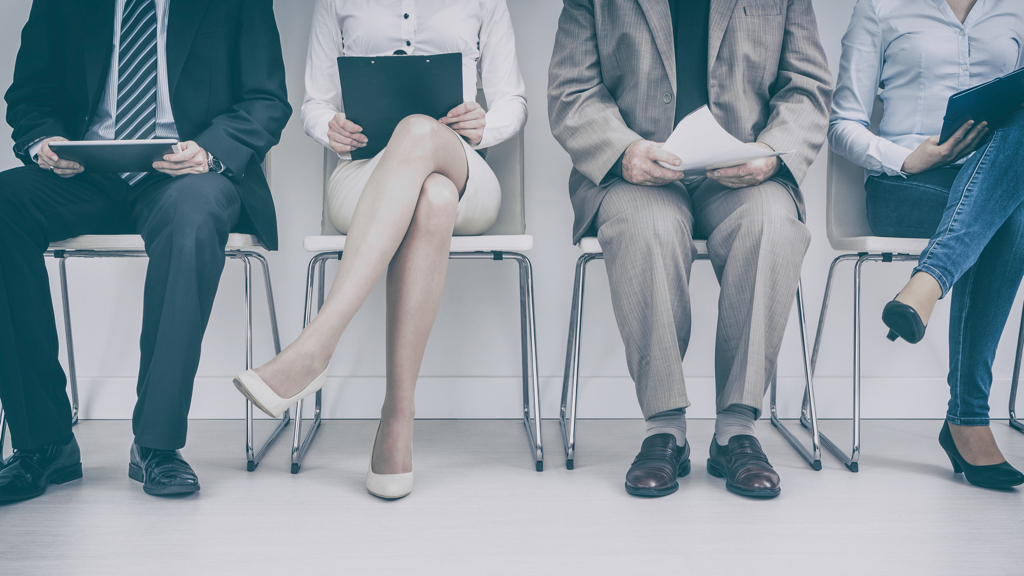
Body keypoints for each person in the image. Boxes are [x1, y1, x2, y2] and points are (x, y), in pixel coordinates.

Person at [232, 0, 527, 500]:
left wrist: (486, 125)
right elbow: (314, 103)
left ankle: (314, 348)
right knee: (430, 197)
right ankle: (397, 421)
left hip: (465, 176)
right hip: (365, 179)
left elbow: (512, 100)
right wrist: (328, 126)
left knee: (418, 134)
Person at [0, 0, 291, 503]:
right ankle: (43, 442)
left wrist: (209, 151)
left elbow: (266, 99)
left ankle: (156, 445)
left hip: (184, 174)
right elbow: (29, 94)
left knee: (195, 214)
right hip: (85, 174)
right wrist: (45, 140)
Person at [548, 0, 832, 499]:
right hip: (636, 171)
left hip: (744, 170)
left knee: (773, 223)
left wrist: (771, 153)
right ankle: (666, 430)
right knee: (646, 226)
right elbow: (572, 91)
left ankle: (735, 430)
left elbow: (807, 89)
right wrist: (624, 151)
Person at [830, 0, 1024, 489]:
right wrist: (906, 159)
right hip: (908, 186)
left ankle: (929, 280)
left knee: (1011, 201)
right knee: (1011, 217)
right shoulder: (880, 8)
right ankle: (968, 418)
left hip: (997, 184)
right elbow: (842, 124)